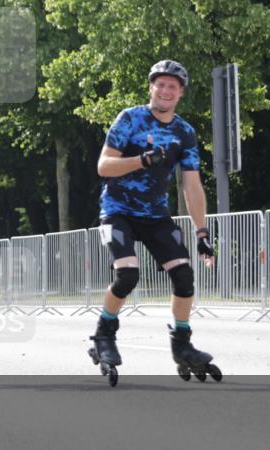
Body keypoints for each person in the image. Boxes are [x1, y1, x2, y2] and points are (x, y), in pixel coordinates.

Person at [90, 59, 220, 386]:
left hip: (155, 215)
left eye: (172, 87)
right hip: (117, 209)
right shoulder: (130, 119)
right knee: (128, 275)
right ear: (151, 87)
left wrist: (202, 232)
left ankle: (182, 343)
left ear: (180, 94)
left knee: (184, 274)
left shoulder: (184, 132)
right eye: (160, 84)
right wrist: (142, 160)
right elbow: (104, 166)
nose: (165, 91)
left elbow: (191, 184)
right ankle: (104, 334)